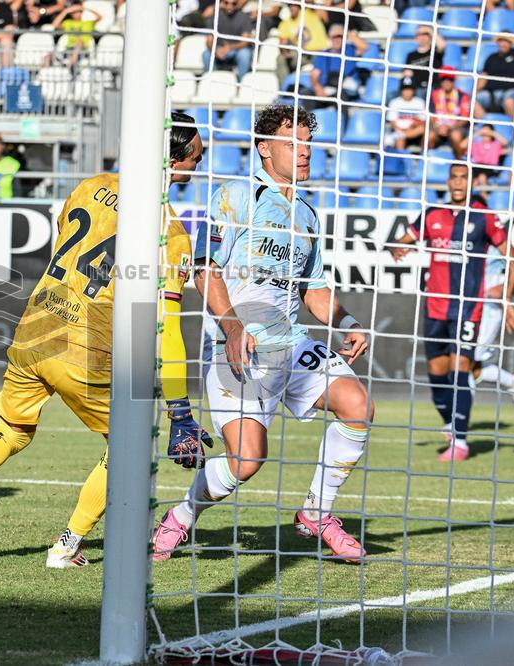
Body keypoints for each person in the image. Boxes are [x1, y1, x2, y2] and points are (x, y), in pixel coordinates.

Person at [0, 113, 210, 571]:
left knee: (12, 429)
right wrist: (181, 412)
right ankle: (67, 545)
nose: (198, 167)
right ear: (175, 159)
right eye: (196, 158)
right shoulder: (171, 233)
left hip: (36, 325)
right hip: (85, 344)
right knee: (130, 445)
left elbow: (66, 238)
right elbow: (167, 328)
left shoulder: (92, 185)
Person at [153, 104, 374, 564]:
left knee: (358, 405)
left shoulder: (309, 214)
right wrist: (232, 327)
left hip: (291, 344)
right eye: (293, 144)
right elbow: (203, 269)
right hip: (241, 349)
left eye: (308, 145)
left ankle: (317, 512)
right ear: (264, 148)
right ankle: (181, 516)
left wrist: (348, 323)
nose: (305, 153)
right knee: (246, 464)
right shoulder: (237, 197)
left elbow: (313, 289)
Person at [388, 163, 514, 462]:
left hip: (467, 308)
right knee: (437, 374)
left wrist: (506, 294)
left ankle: (460, 442)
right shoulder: (432, 214)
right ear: (448, 181)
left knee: (460, 370)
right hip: (435, 307)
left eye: (464, 177)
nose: (458, 182)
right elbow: (399, 242)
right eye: (454, 177)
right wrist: (397, 249)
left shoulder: (484, 217)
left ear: (472, 183)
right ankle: (451, 424)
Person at [472, 244, 514, 404]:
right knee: (471, 369)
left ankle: (455, 422)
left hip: (488, 311)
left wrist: (504, 290)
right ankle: (513, 381)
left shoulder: (499, 242)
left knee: (464, 361)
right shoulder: (466, 237)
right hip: (467, 308)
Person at [310, 24, 368, 104]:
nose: (337, 40)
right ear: (330, 38)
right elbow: (314, 75)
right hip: (328, 89)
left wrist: (347, 33)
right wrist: (318, 88)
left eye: (340, 37)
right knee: (306, 93)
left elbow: (364, 47)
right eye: (334, 37)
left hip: (347, 89)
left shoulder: (350, 50)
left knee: (341, 95)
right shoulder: (323, 55)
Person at [275, 1, 327, 84]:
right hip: (301, 54)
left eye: (295, 5)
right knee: (281, 58)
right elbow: (282, 44)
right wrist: (284, 51)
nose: (292, 7)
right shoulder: (285, 24)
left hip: (320, 52)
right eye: (290, 5)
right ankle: (285, 91)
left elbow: (313, 4)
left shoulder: (309, 13)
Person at [202, 0, 254, 81]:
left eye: (234, 3)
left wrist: (230, 47)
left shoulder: (244, 17)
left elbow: (245, 41)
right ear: (222, 3)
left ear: (238, 4)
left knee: (245, 54)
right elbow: (209, 41)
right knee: (206, 54)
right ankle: (210, 81)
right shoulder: (215, 16)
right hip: (218, 49)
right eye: (226, 3)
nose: (230, 6)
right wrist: (216, 51)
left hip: (236, 50)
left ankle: (242, 84)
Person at [429, 66, 472, 158]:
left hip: (456, 127)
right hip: (438, 127)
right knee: (429, 136)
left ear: (454, 81)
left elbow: (464, 119)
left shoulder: (462, 96)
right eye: (444, 80)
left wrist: (450, 127)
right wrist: (438, 127)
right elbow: (431, 115)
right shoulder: (434, 95)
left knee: (456, 136)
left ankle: (459, 163)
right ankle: (426, 162)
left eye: (450, 80)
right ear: (440, 81)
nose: (447, 82)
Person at [476, 34, 514, 118]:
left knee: (509, 102)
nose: (503, 44)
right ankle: (486, 125)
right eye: (501, 41)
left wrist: (503, 36)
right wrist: (474, 92)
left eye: (506, 41)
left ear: (511, 42)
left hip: (511, 92)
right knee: (473, 101)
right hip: (491, 93)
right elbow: (484, 76)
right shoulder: (492, 58)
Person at [385, 78, 427, 151]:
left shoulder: (420, 102)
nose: (407, 92)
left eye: (410, 89)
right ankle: (402, 160)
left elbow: (423, 120)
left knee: (423, 129)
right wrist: (401, 129)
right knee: (400, 137)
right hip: (399, 130)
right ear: (401, 90)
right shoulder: (394, 102)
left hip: (414, 132)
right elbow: (391, 122)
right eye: (405, 89)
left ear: (414, 90)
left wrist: (414, 125)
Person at [403, 25, 446, 95]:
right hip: (416, 89)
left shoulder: (435, 51)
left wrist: (430, 30)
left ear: (430, 36)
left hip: (434, 88)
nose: (422, 37)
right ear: (416, 37)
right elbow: (406, 73)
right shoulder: (411, 55)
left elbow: (442, 45)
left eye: (425, 34)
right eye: (419, 34)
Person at [468, 123, 508, 188]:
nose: (486, 134)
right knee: (471, 178)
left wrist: (493, 133)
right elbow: (462, 145)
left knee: (482, 177)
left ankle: (483, 195)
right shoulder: (476, 144)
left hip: (489, 168)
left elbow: (505, 142)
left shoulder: (496, 145)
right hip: (477, 166)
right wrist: (477, 133)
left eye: (488, 132)